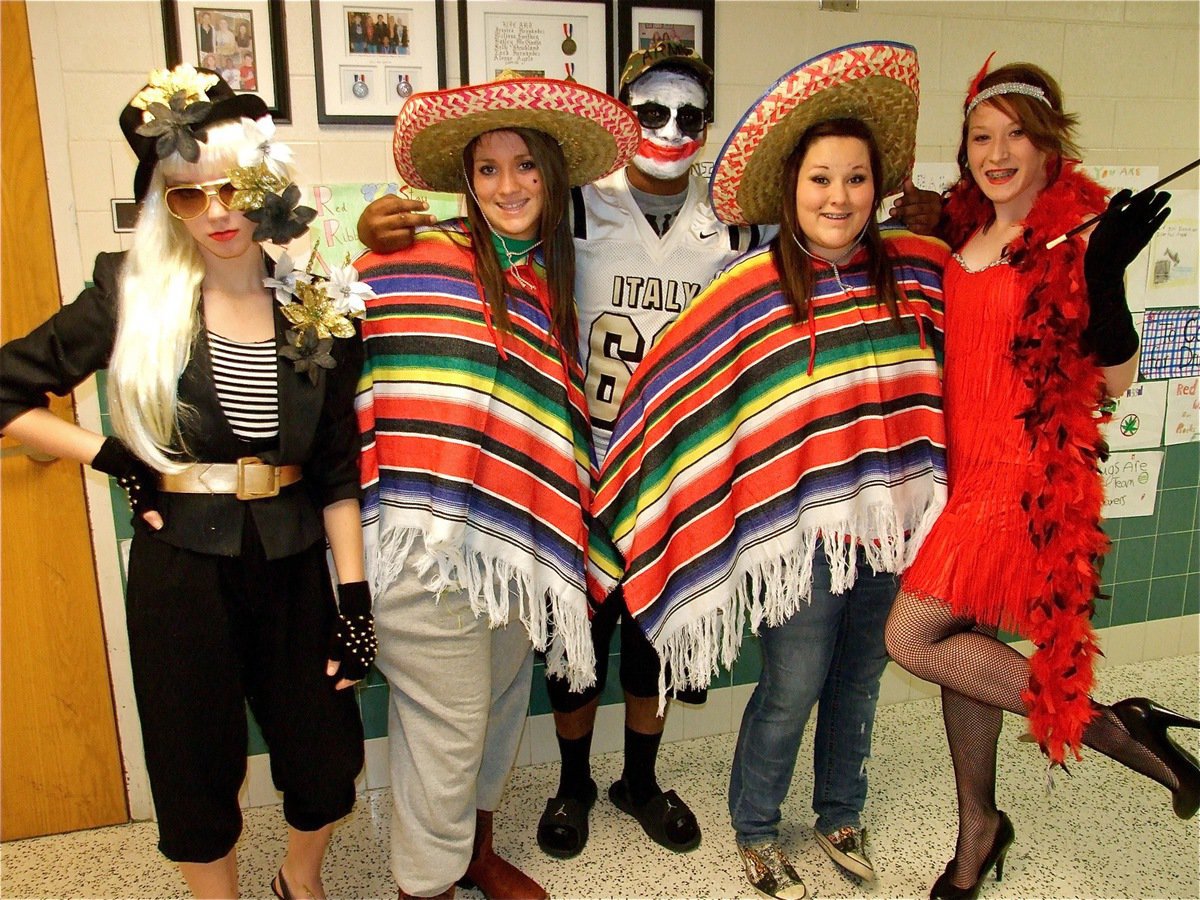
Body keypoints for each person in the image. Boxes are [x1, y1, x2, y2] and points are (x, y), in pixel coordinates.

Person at [357, 41, 948, 862]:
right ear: (626, 115)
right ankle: (572, 782)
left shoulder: (745, 217)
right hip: (575, 462)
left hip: (673, 469)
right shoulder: (565, 203)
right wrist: (369, 224)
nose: (670, 128)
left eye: (689, 115)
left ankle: (640, 776)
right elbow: (477, 231)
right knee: (574, 645)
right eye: (651, 111)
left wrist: (915, 220)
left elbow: (833, 232)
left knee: (654, 641)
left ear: (707, 128)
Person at [0, 66, 374, 900]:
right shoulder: (128, 295)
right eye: (187, 195)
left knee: (323, 754)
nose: (216, 212)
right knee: (193, 758)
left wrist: (354, 601)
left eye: (233, 187)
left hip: (294, 562)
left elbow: (338, 468)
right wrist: (106, 453)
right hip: (181, 575)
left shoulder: (319, 308)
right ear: (164, 204)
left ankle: (299, 881)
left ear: (267, 188)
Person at [591, 41, 949, 900]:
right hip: (800, 534)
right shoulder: (750, 285)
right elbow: (674, 391)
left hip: (896, 521)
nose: (839, 196)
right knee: (791, 684)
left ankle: (838, 809)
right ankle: (756, 824)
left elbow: (979, 343)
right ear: (792, 187)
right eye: (821, 178)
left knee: (860, 679)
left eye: (856, 179)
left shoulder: (916, 275)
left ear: (878, 187)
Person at [882, 57, 1197, 900]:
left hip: (1020, 482)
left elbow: (1119, 377)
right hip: (963, 468)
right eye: (981, 136)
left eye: (1016, 132)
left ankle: (1118, 730)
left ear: (1050, 140)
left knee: (910, 638)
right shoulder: (967, 226)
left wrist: (1104, 281)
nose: (997, 151)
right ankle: (978, 830)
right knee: (960, 656)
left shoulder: (1078, 234)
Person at [354, 75, 640, 900]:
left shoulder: (555, 280)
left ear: (552, 177)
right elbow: (333, 332)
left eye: (525, 166)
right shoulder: (411, 257)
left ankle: (473, 854)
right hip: (427, 551)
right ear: (465, 182)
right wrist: (358, 238)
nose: (507, 186)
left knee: (501, 705)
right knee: (444, 737)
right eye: (487, 169)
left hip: (518, 544)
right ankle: (426, 886)